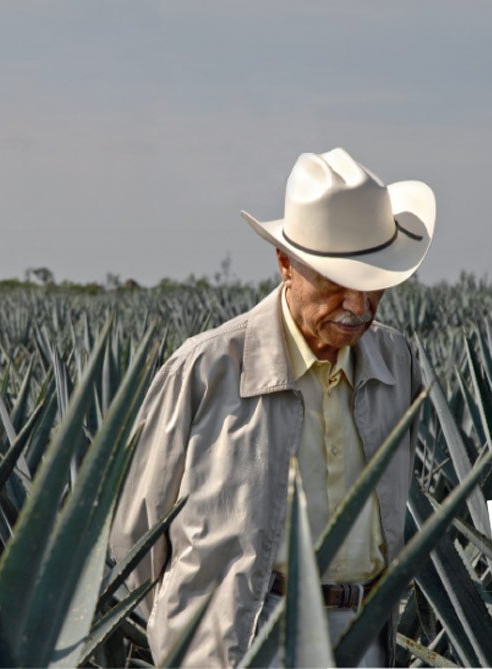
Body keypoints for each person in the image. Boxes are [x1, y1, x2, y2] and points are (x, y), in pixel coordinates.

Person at [109, 147, 435, 667]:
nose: (358, 306)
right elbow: (137, 538)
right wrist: (194, 633)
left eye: (373, 284)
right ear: (285, 262)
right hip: (238, 642)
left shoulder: (397, 362)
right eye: (335, 281)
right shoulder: (207, 368)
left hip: (363, 637)